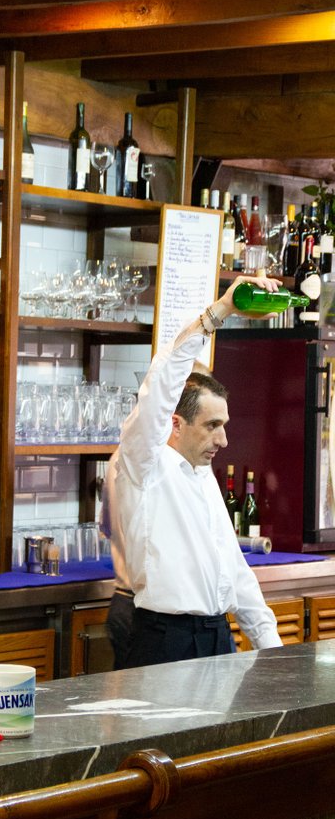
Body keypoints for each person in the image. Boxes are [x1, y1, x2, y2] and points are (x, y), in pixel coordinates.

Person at [103, 274, 283, 669]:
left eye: (225, 424)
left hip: (219, 637)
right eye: (212, 425)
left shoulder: (203, 475)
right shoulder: (143, 464)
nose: (224, 440)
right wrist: (219, 311)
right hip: (164, 642)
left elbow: (234, 569)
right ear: (175, 423)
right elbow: (163, 379)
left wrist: (273, 648)